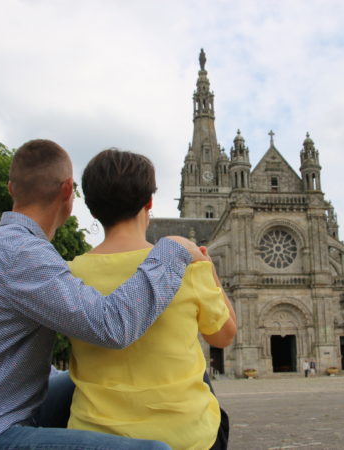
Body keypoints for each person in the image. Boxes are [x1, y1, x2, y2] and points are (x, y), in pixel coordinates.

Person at [0, 139, 205, 450]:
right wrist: (172, 250)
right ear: (67, 190)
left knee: (92, 383)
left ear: (11, 189)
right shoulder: (21, 253)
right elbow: (112, 326)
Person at [67, 149, 237, 449]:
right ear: (149, 203)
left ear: (92, 210)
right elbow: (224, 336)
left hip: (95, 438)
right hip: (186, 437)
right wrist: (209, 271)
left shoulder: (68, 274)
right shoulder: (186, 266)